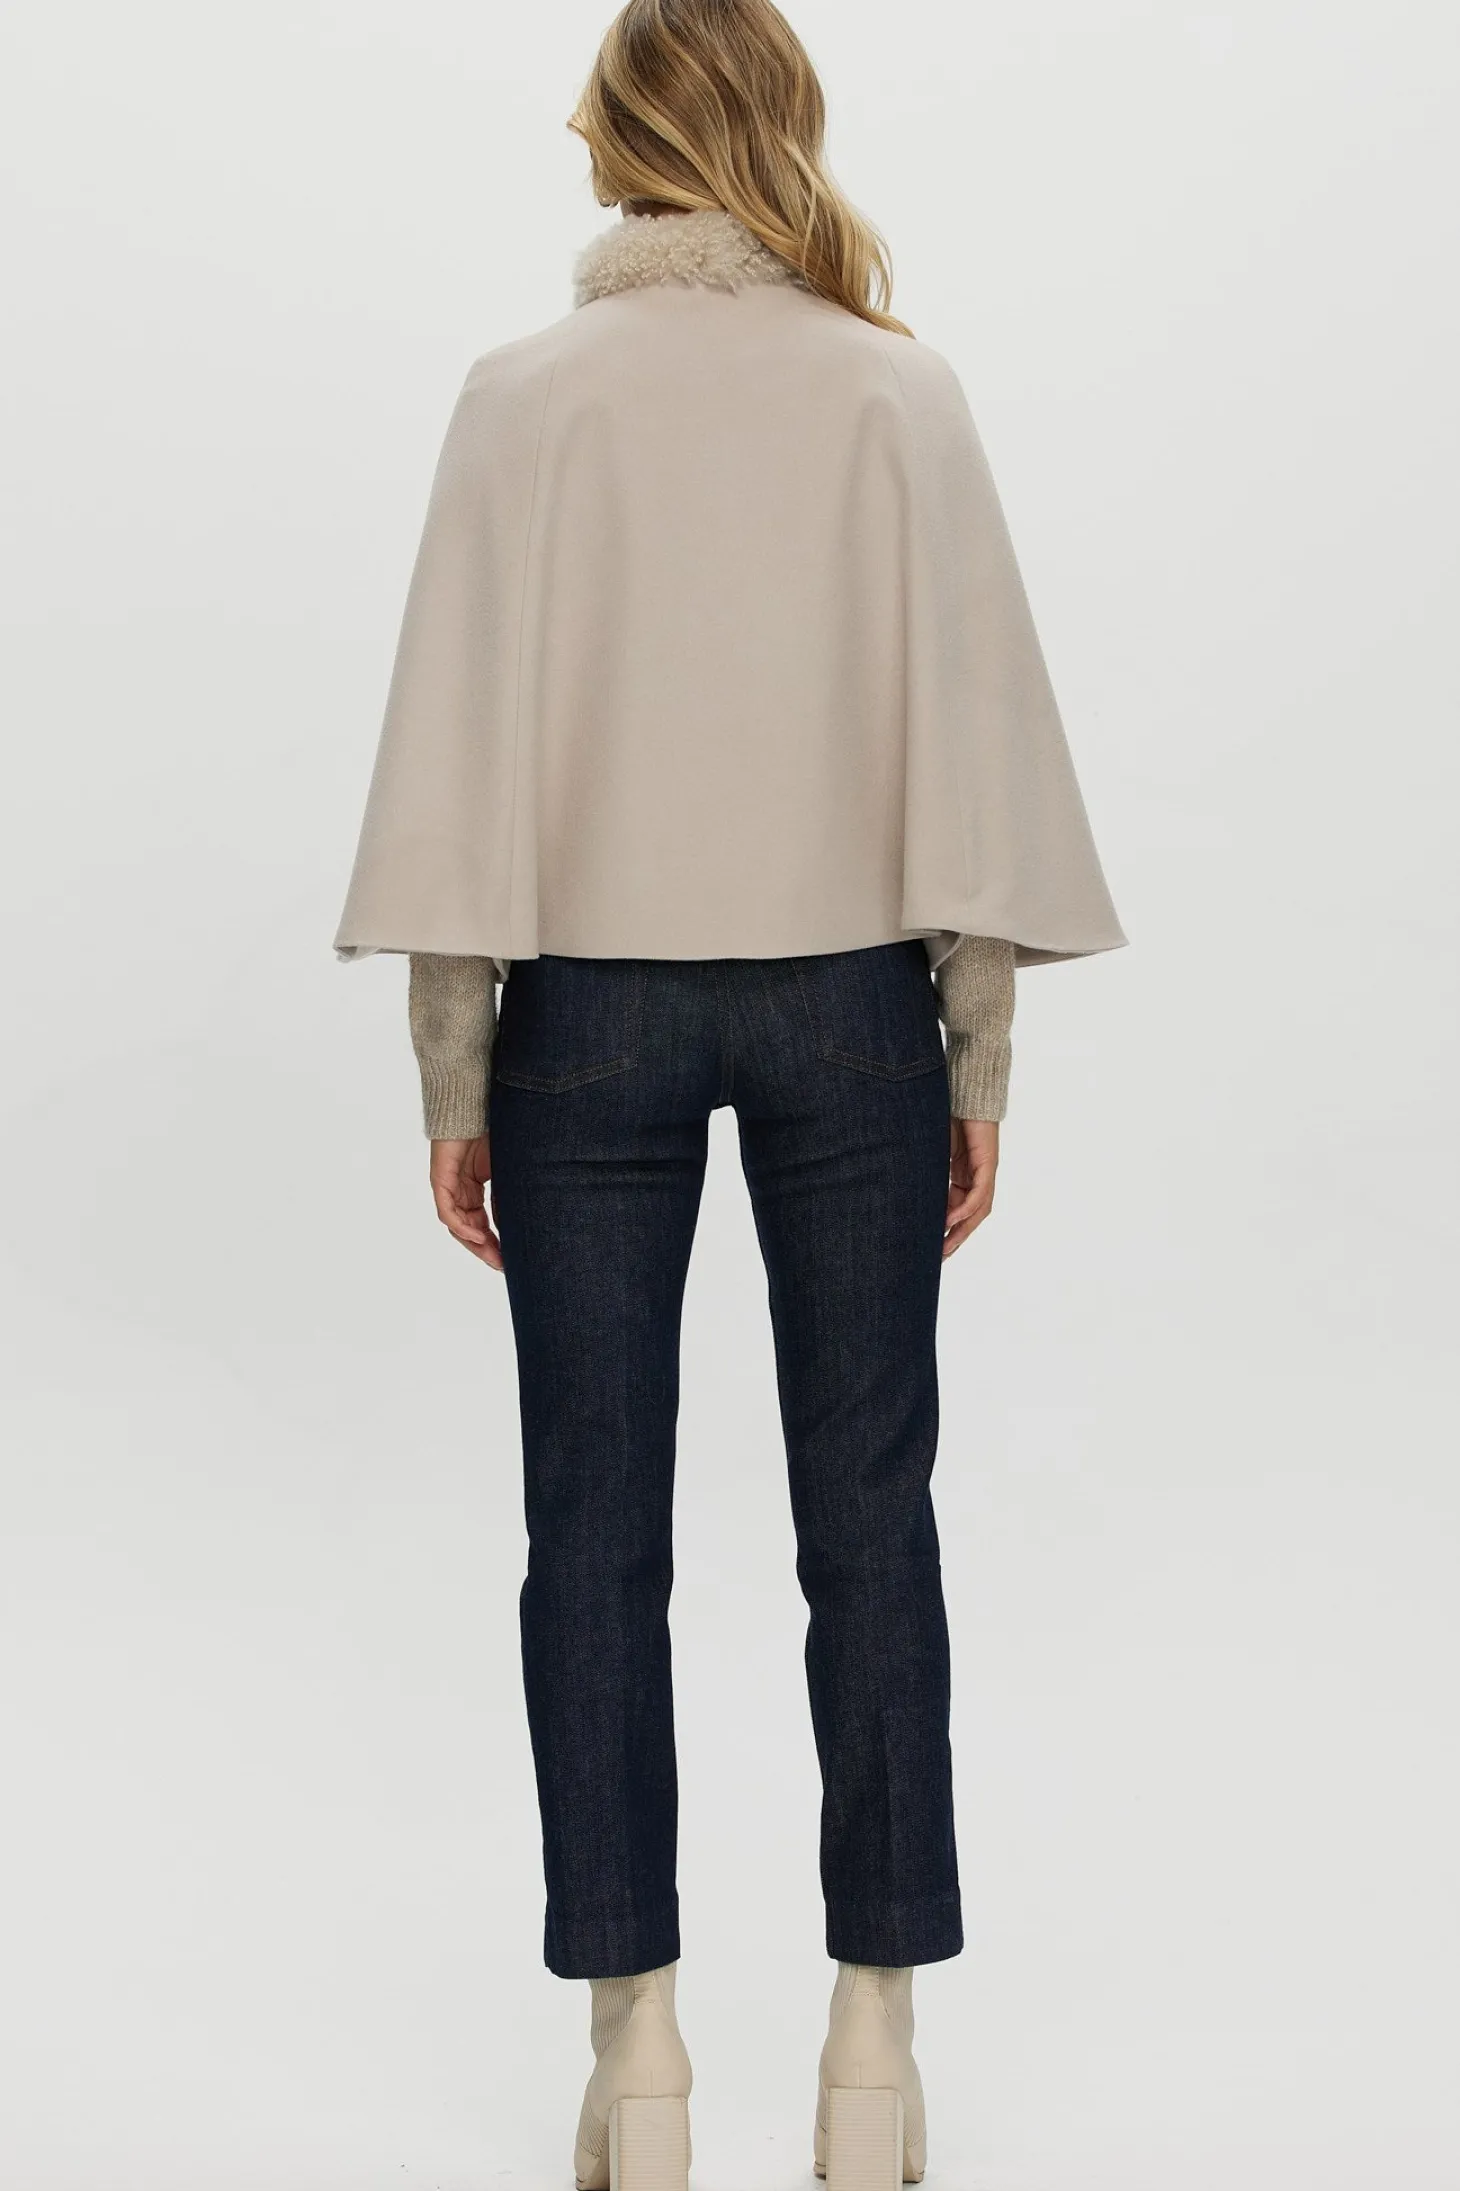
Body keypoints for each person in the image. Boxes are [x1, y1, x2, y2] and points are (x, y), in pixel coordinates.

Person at [333, 2, 1125, 2183]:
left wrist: (451, 1074)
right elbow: (966, 741)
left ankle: (641, 2053)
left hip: (581, 1013)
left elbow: (461, 747)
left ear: (621, 141)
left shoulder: (524, 398)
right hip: (854, 1009)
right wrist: (976, 1048)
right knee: (870, 1519)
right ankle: (873, 2054)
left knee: (590, 1530)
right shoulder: (896, 391)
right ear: (783, 124)